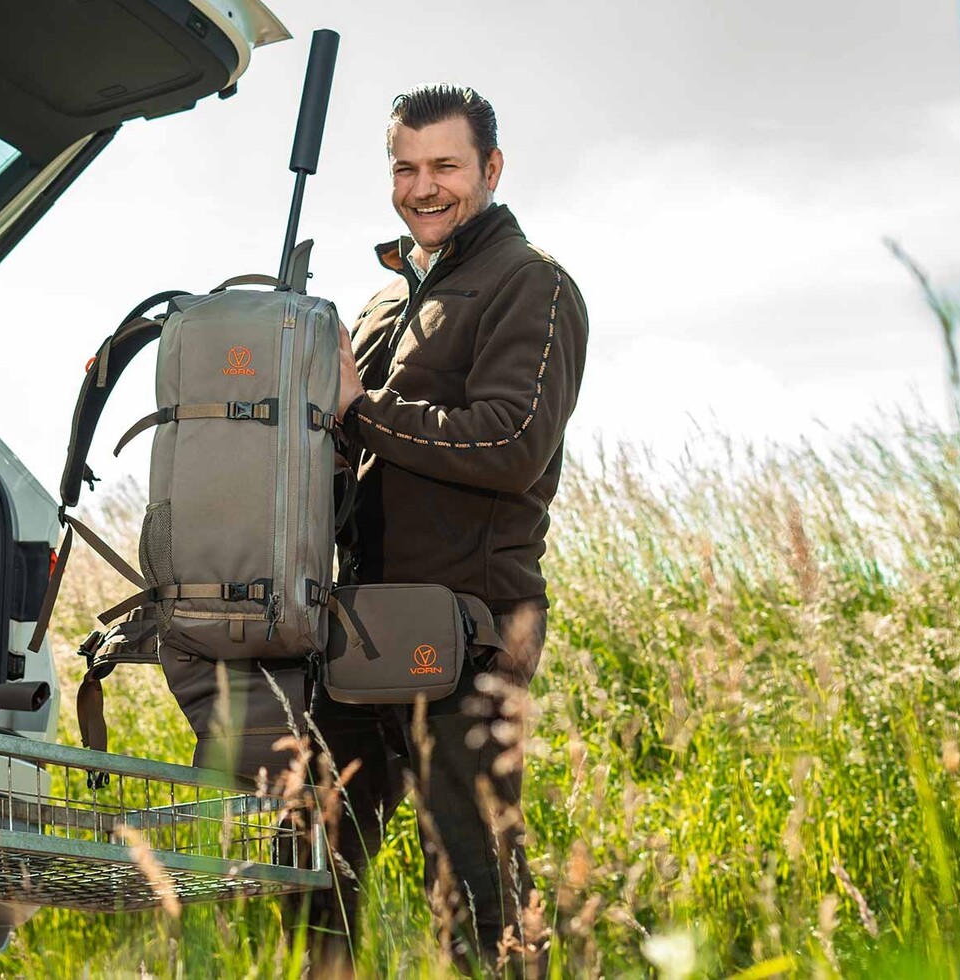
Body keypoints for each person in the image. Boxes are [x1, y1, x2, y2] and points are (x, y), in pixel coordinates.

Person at [306, 83, 588, 976]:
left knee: (475, 883)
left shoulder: (531, 283)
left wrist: (360, 412)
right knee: (315, 863)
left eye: (445, 166)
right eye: (405, 168)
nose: (423, 187)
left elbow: (511, 442)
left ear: (490, 168)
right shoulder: (379, 305)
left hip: (470, 622)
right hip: (357, 626)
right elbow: (336, 445)